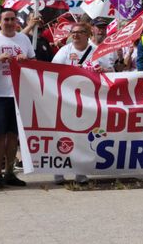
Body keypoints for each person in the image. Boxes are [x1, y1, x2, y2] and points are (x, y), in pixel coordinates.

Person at [0, 9, 34, 189]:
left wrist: (25, 60)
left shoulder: (24, 39)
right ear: (0, 21)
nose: (10, 22)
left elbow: (33, 64)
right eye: (6, 19)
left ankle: (10, 172)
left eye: (13, 19)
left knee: (14, 136)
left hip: (18, 93)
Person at [50, 22, 101, 185]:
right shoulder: (64, 51)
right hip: (66, 100)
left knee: (84, 137)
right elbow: (53, 71)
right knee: (64, 136)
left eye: (79, 32)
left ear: (88, 34)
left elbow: (110, 71)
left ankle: (81, 172)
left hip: (88, 101)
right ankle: (59, 172)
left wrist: (101, 71)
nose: (75, 35)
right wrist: (73, 71)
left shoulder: (96, 52)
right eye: (73, 32)